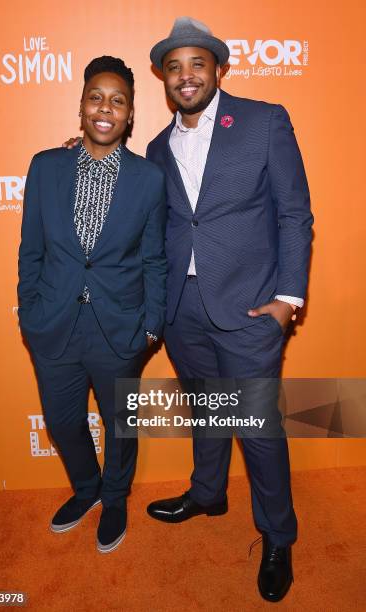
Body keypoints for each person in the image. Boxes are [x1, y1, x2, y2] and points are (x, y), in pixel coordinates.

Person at [144, 18, 313, 602]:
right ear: (164, 79)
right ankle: (208, 493)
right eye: (174, 67)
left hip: (249, 307)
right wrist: (78, 158)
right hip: (182, 309)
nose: (185, 75)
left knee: (258, 428)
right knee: (207, 411)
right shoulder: (157, 147)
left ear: (218, 69)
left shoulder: (265, 121)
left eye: (196, 64)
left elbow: (295, 214)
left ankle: (278, 536)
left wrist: (289, 300)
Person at [18, 56, 167, 554]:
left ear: (129, 114)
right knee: (62, 421)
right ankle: (87, 489)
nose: (106, 108)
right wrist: (29, 310)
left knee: (120, 424)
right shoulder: (45, 167)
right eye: (96, 97)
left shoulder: (148, 179)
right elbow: (31, 249)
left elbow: (155, 259)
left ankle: (116, 496)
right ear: (81, 106)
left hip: (118, 327)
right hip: (54, 323)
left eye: (118, 100)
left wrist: (151, 326)